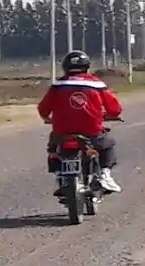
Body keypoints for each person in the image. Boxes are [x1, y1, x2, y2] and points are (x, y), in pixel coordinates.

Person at [38, 50, 123, 196]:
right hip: (92, 132)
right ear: (87, 67)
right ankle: (105, 175)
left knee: (53, 149)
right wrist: (110, 115)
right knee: (107, 145)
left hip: (63, 132)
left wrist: (47, 117)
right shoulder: (96, 84)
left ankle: (59, 175)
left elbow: (43, 108)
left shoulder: (58, 85)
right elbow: (115, 109)